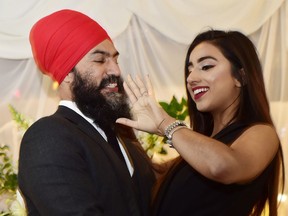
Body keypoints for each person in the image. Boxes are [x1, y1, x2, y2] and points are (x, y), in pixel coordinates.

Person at [116, 29, 285, 216]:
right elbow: (149, 174)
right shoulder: (199, 146)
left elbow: (223, 167)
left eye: (206, 67)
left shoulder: (262, 133)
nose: (191, 78)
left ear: (240, 77)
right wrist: (118, 124)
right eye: (189, 70)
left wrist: (166, 124)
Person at [18, 9, 156, 216]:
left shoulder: (119, 133)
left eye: (115, 60)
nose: (116, 71)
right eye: (100, 60)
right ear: (67, 75)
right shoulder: (48, 136)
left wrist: (167, 128)